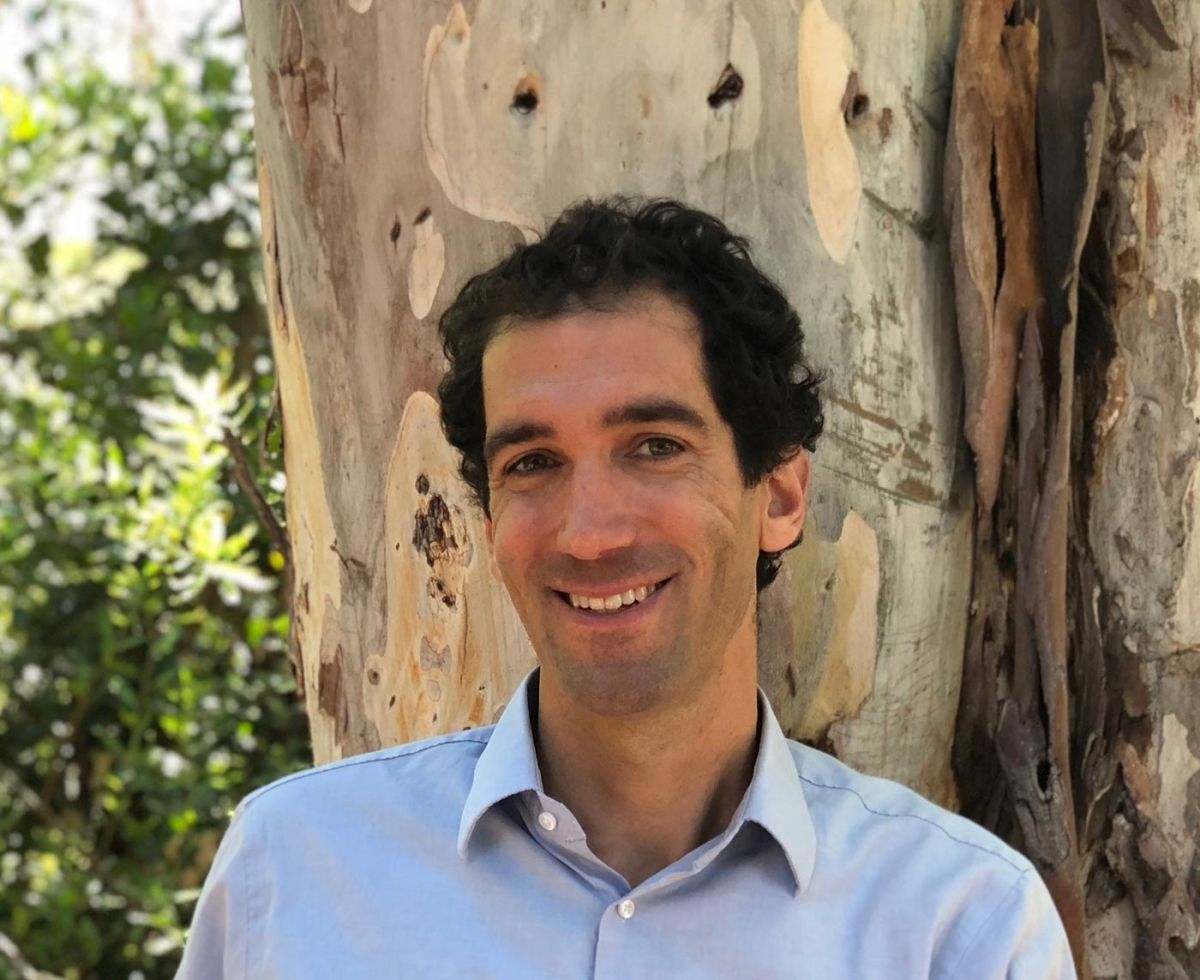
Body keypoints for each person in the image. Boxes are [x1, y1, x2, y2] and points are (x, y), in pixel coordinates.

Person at [176, 199, 1076, 978]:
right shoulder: (293, 876)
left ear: (779, 496)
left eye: (655, 447)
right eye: (533, 463)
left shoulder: (958, 927)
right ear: (490, 522)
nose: (590, 533)